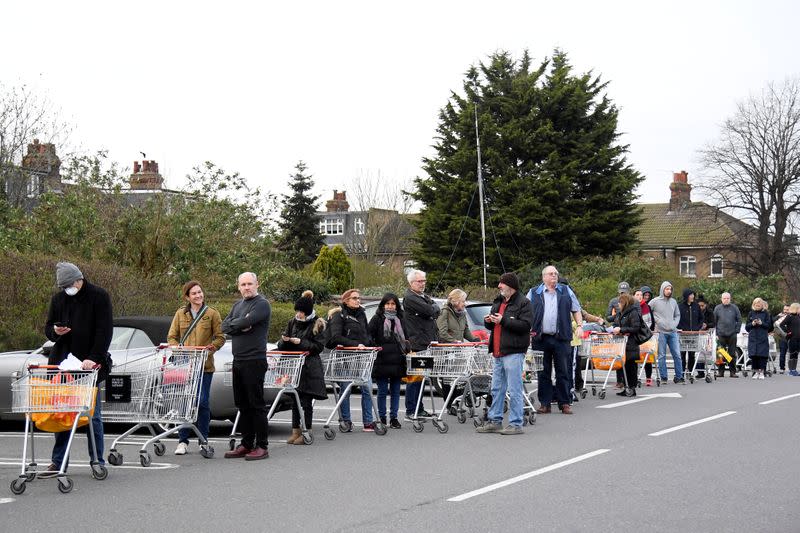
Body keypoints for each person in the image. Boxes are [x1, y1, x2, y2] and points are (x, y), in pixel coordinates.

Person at [44, 262, 112, 474]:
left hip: (89, 364)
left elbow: (104, 331)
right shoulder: (59, 299)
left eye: (68, 285)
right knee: (61, 412)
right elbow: (49, 329)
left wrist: (93, 357)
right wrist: (56, 332)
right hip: (63, 363)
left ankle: (97, 460)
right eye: (62, 287)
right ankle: (59, 461)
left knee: (93, 414)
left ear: (78, 280)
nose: (66, 290)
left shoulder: (99, 296)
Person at [167, 280, 225, 456]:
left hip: (204, 366)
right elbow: (172, 337)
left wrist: (210, 349)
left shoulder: (212, 314)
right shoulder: (180, 314)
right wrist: (178, 348)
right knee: (185, 402)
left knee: (202, 402)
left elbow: (220, 337)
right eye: (194, 293)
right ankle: (182, 441)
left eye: (200, 292)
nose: (198, 295)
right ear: (187, 297)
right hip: (185, 366)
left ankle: (203, 440)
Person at [475, 272, 533, 434]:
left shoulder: (524, 303)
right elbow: (494, 327)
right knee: (496, 389)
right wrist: (489, 322)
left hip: (513, 352)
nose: (499, 286)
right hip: (497, 352)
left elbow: (525, 326)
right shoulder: (498, 301)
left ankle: (516, 423)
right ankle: (495, 420)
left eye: (502, 283)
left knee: (514, 389)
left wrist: (504, 320)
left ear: (511, 286)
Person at [222, 272, 271, 460]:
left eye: (250, 283)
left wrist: (241, 324)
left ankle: (262, 446)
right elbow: (225, 326)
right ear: (238, 286)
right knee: (242, 405)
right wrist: (239, 325)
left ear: (257, 284)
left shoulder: (262, 304)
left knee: (256, 404)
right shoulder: (237, 305)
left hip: (254, 360)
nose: (247, 287)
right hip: (238, 360)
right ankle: (246, 443)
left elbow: (247, 322)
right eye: (243, 284)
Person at [530, 265, 582, 415]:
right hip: (540, 338)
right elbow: (526, 312)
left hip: (561, 337)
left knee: (563, 370)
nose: (554, 276)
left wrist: (579, 325)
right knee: (543, 372)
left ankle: (564, 402)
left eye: (556, 274)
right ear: (544, 277)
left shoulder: (565, 291)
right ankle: (545, 403)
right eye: (551, 274)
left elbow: (576, 309)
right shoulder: (534, 292)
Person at [277, 290, 328, 444]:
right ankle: (295, 431)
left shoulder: (318, 323)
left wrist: (301, 343)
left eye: (301, 312)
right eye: (297, 311)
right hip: (293, 366)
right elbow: (281, 346)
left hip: (309, 368)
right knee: (294, 399)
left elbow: (319, 346)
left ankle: (307, 431)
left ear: (308, 312)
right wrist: (285, 340)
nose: (298, 314)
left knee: (305, 401)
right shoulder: (292, 322)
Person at [326, 288, 376, 431]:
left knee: (367, 388)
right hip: (345, 358)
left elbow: (366, 334)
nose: (358, 300)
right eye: (354, 298)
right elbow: (335, 337)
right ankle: (346, 420)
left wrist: (370, 344)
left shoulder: (361, 314)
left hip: (362, 357)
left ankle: (368, 421)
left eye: (359, 298)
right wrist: (355, 345)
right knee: (346, 389)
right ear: (346, 301)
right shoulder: (339, 315)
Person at [368, 293, 410, 429]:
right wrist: (374, 347)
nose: (390, 307)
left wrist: (407, 347)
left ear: (397, 305)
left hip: (397, 360)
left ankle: (394, 418)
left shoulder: (400, 319)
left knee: (396, 391)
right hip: (382, 360)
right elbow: (369, 336)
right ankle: (382, 417)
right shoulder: (377, 319)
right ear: (383, 305)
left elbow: (406, 337)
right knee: (382, 391)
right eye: (387, 304)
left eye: (393, 304)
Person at [403, 269, 440, 420]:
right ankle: (411, 410)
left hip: (426, 343)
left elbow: (435, 308)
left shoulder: (422, 296)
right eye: (420, 281)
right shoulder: (411, 298)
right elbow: (431, 310)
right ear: (411, 283)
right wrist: (433, 308)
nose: (423, 284)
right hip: (418, 344)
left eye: (424, 281)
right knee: (416, 377)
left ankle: (419, 408)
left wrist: (433, 307)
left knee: (423, 377)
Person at [649, 281, 685, 384]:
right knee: (661, 355)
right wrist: (656, 320)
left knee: (677, 355)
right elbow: (647, 312)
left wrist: (674, 324)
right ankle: (663, 377)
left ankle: (679, 376)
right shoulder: (655, 301)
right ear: (662, 289)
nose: (669, 291)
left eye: (670, 289)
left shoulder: (673, 301)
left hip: (673, 332)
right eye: (667, 289)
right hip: (661, 332)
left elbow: (677, 315)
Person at [612, 293, 642, 397]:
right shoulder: (621, 313)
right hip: (622, 343)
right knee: (624, 366)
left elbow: (636, 327)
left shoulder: (633, 313)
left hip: (631, 343)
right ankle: (626, 387)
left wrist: (621, 329)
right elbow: (616, 323)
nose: (618, 304)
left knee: (631, 366)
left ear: (625, 303)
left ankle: (632, 388)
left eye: (620, 302)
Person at [606, 282, 630, 389]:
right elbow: (608, 317)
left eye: (624, 292)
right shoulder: (613, 301)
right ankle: (619, 381)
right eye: (621, 292)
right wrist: (615, 316)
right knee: (618, 356)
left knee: (628, 357)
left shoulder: (631, 301)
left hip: (628, 331)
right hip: (617, 331)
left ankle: (628, 381)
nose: (622, 294)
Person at [714, 292, 742, 378]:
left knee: (732, 353)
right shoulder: (717, 308)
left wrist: (736, 330)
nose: (726, 300)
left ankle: (732, 372)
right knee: (720, 353)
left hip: (732, 334)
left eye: (727, 298)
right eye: (724, 298)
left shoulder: (734, 308)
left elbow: (739, 320)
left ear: (730, 299)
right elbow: (714, 321)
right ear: (721, 299)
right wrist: (715, 333)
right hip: (720, 334)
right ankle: (720, 372)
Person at [678, 288, 704, 378]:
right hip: (683, 334)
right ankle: (681, 372)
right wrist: (681, 328)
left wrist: (698, 327)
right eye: (690, 295)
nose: (692, 296)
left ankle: (690, 372)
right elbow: (677, 318)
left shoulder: (696, 306)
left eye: (693, 295)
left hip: (694, 334)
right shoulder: (680, 306)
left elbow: (701, 318)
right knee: (682, 354)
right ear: (686, 296)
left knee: (692, 354)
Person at [745, 298, 773, 380]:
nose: (757, 306)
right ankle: (755, 372)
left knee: (762, 355)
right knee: (754, 355)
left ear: (762, 305)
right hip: (753, 338)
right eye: (756, 305)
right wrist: (752, 323)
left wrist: (762, 323)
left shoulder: (766, 313)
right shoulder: (751, 313)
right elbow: (747, 327)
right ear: (754, 305)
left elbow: (769, 326)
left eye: (759, 305)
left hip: (762, 337)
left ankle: (761, 372)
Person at [635, 287, 656, 386]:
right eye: (637, 295)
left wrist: (643, 330)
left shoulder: (646, 307)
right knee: (635, 358)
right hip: (635, 336)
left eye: (641, 295)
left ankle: (648, 377)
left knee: (647, 357)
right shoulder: (632, 306)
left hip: (645, 335)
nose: (640, 297)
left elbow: (650, 322)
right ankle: (635, 377)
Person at [783, 303, 800, 376]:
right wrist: (788, 332)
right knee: (792, 354)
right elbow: (781, 325)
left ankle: (794, 370)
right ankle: (790, 371)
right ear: (795, 308)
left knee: (796, 354)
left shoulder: (799, 317)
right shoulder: (789, 316)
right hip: (792, 338)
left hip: (799, 339)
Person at [773, 304, 790, 374]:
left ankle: (792, 368)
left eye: (787, 310)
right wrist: (778, 316)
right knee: (782, 353)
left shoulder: (792, 316)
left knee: (793, 354)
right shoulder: (780, 315)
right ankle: (782, 368)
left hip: (791, 336)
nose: (785, 311)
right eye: (784, 309)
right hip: (782, 337)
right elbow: (772, 321)